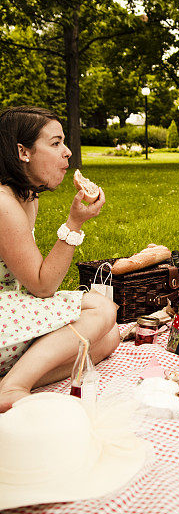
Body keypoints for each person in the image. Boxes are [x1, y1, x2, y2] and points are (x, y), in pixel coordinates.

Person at [0, 106, 119, 412]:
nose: (67, 153)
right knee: (102, 309)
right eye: (55, 143)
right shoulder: (3, 202)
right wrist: (74, 224)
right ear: (22, 152)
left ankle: (12, 377)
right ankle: (12, 388)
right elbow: (42, 286)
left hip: (10, 311)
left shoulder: (26, 196)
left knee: (109, 337)